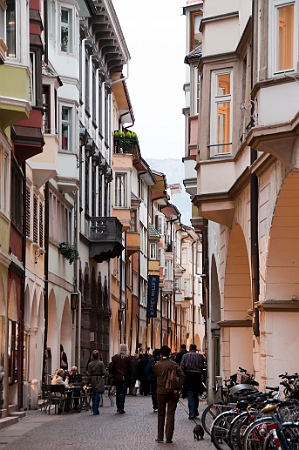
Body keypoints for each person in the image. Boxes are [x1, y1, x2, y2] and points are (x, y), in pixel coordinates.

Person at [155, 345, 185, 444]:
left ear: (160, 354)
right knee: (170, 414)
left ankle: (160, 437)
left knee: (161, 413)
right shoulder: (174, 364)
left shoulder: (157, 365)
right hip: (173, 391)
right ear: (169, 354)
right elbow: (182, 375)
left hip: (161, 391)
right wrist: (178, 386)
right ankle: (168, 437)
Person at [180, 343, 205, 419]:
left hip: (188, 375)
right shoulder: (200, 356)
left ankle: (192, 412)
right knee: (196, 394)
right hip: (197, 376)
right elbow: (202, 366)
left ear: (190, 349)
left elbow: (182, 366)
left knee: (190, 394)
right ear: (196, 348)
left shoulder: (185, 356)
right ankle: (195, 410)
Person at [109, 344, 132, 414]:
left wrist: (113, 373)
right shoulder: (128, 358)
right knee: (123, 392)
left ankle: (118, 406)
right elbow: (130, 368)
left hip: (117, 377)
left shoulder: (115, 357)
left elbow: (112, 368)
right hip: (125, 377)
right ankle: (121, 407)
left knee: (118, 392)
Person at [88, 350, 108, 415]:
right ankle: (95, 409)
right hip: (98, 378)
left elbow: (89, 373)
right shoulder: (101, 363)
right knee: (97, 393)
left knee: (94, 392)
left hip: (92, 378)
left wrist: (88, 381)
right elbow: (104, 372)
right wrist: (109, 375)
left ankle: (94, 407)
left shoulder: (90, 364)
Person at [148, 348, 160, 412]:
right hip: (161, 378)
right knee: (161, 392)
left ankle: (155, 406)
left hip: (153, 378)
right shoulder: (162, 361)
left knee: (154, 392)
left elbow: (147, 369)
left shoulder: (151, 361)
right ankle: (160, 405)